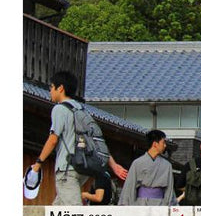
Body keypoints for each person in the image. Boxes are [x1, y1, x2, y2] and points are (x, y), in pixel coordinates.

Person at [31, 70, 128, 205]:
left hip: (66, 169)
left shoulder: (59, 109)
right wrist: (113, 165)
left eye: (51, 87)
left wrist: (37, 164)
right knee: (57, 213)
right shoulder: (82, 110)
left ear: (60, 88)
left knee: (74, 215)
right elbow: (95, 142)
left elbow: (53, 139)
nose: (50, 92)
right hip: (83, 168)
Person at [118, 130, 177, 206]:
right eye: (163, 142)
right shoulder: (137, 163)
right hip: (141, 204)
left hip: (161, 205)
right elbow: (130, 187)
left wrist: (169, 207)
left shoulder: (167, 165)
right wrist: (127, 206)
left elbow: (169, 191)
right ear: (155, 144)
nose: (165, 145)